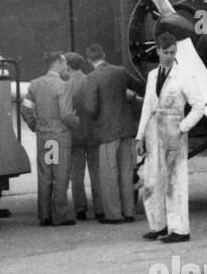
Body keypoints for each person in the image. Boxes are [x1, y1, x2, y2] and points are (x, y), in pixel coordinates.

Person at [135, 32, 207, 243]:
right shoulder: (151, 75)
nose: (169, 55)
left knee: (175, 181)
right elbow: (148, 107)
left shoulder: (184, 75)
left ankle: (179, 229)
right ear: (157, 51)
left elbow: (199, 106)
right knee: (151, 179)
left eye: (173, 52)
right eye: (166, 52)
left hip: (174, 129)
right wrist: (139, 137)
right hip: (152, 130)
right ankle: (158, 225)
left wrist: (182, 127)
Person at [78, 43, 141, 224]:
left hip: (106, 131)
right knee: (126, 172)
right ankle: (129, 212)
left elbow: (90, 107)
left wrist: (95, 119)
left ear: (89, 60)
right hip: (125, 128)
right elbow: (137, 86)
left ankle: (113, 214)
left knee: (108, 174)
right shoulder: (120, 71)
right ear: (104, 54)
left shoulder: (92, 77)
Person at [23, 51, 78, 226]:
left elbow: (25, 109)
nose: (66, 67)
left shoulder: (34, 85)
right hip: (60, 137)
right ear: (58, 64)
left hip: (44, 137)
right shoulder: (63, 86)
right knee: (61, 176)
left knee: (45, 175)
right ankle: (60, 215)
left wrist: (35, 126)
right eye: (64, 64)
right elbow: (67, 114)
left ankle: (44, 215)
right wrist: (77, 123)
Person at [63, 52, 101, 221]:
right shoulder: (90, 80)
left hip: (75, 134)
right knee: (96, 172)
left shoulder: (65, 85)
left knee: (76, 174)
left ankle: (80, 208)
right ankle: (99, 208)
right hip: (92, 132)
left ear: (68, 66)